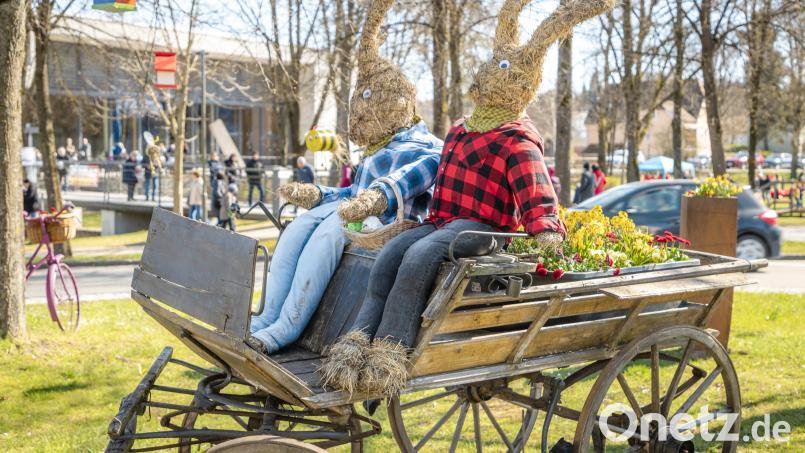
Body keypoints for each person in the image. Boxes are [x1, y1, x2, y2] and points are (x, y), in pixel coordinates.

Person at [320, 0, 610, 396]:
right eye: (494, 63)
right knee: (391, 255)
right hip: (443, 220)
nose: (490, 72)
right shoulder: (460, 129)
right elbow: (431, 176)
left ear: (523, 80)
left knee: (421, 258)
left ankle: (390, 352)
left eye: (504, 68)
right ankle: (357, 342)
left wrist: (546, 232)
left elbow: (537, 193)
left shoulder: (517, 139)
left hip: (483, 227)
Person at [248, 0, 443, 356]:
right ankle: (267, 316)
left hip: (386, 225)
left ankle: (287, 327)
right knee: (296, 228)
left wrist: (372, 198)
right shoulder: (375, 149)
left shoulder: (427, 147)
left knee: (329, 231)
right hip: (357, 215)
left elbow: (400, 183)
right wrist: (319, 195)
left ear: (396, 103)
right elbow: (351, 192)